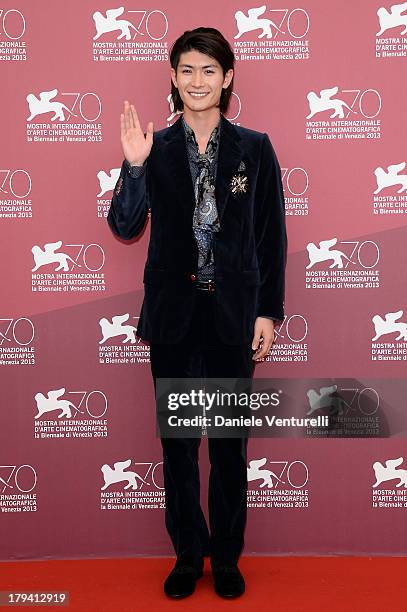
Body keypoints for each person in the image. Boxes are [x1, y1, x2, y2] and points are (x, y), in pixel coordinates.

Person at [107, 27, 287, 599]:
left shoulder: (255, 149)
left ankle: (227, 558)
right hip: (175, 318)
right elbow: (124, 227)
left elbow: (271, 236)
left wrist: (268, 311)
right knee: (179, 445)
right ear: (174, 77)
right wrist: (133, 169)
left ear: (228, 77)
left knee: (230, 447)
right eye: (187, 70)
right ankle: (189, 555)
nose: (198, 81)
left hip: (233, 318)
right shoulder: (153, 147)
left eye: (209, 70)